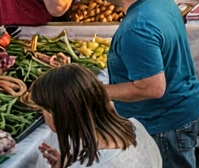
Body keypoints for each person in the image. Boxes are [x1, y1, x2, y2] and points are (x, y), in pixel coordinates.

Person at [100, 0, 199, 168]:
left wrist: (96, 91)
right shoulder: (162, 0)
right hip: (185, 105)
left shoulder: (136, 29)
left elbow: (152, 88)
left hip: (164, 123)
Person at [29, 63, 162, 168]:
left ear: (58, 113)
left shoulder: (96, 164)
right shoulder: (134, 126)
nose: (43, 116)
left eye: (43, 109)